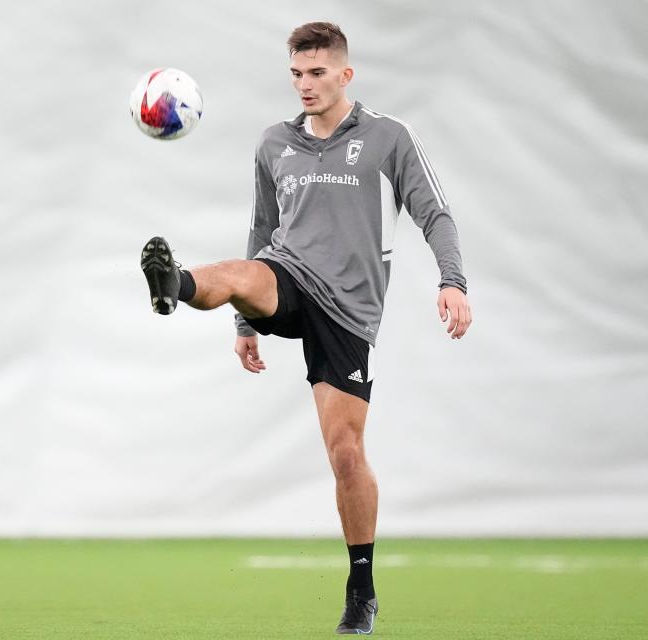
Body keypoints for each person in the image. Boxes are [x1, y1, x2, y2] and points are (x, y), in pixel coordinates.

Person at [140, 21, 471, 635]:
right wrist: (245, 320)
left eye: (317, 73)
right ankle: (176, 284)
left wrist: (453, 280)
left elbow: (436, 214)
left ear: (346, 74)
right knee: (246, 269)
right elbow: (262, 229)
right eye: (296, 73)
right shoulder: (274, 144)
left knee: (346, 454)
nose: (305, 85)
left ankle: (361, 590)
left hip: (349, 311)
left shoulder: (388, 139)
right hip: (287, 277)